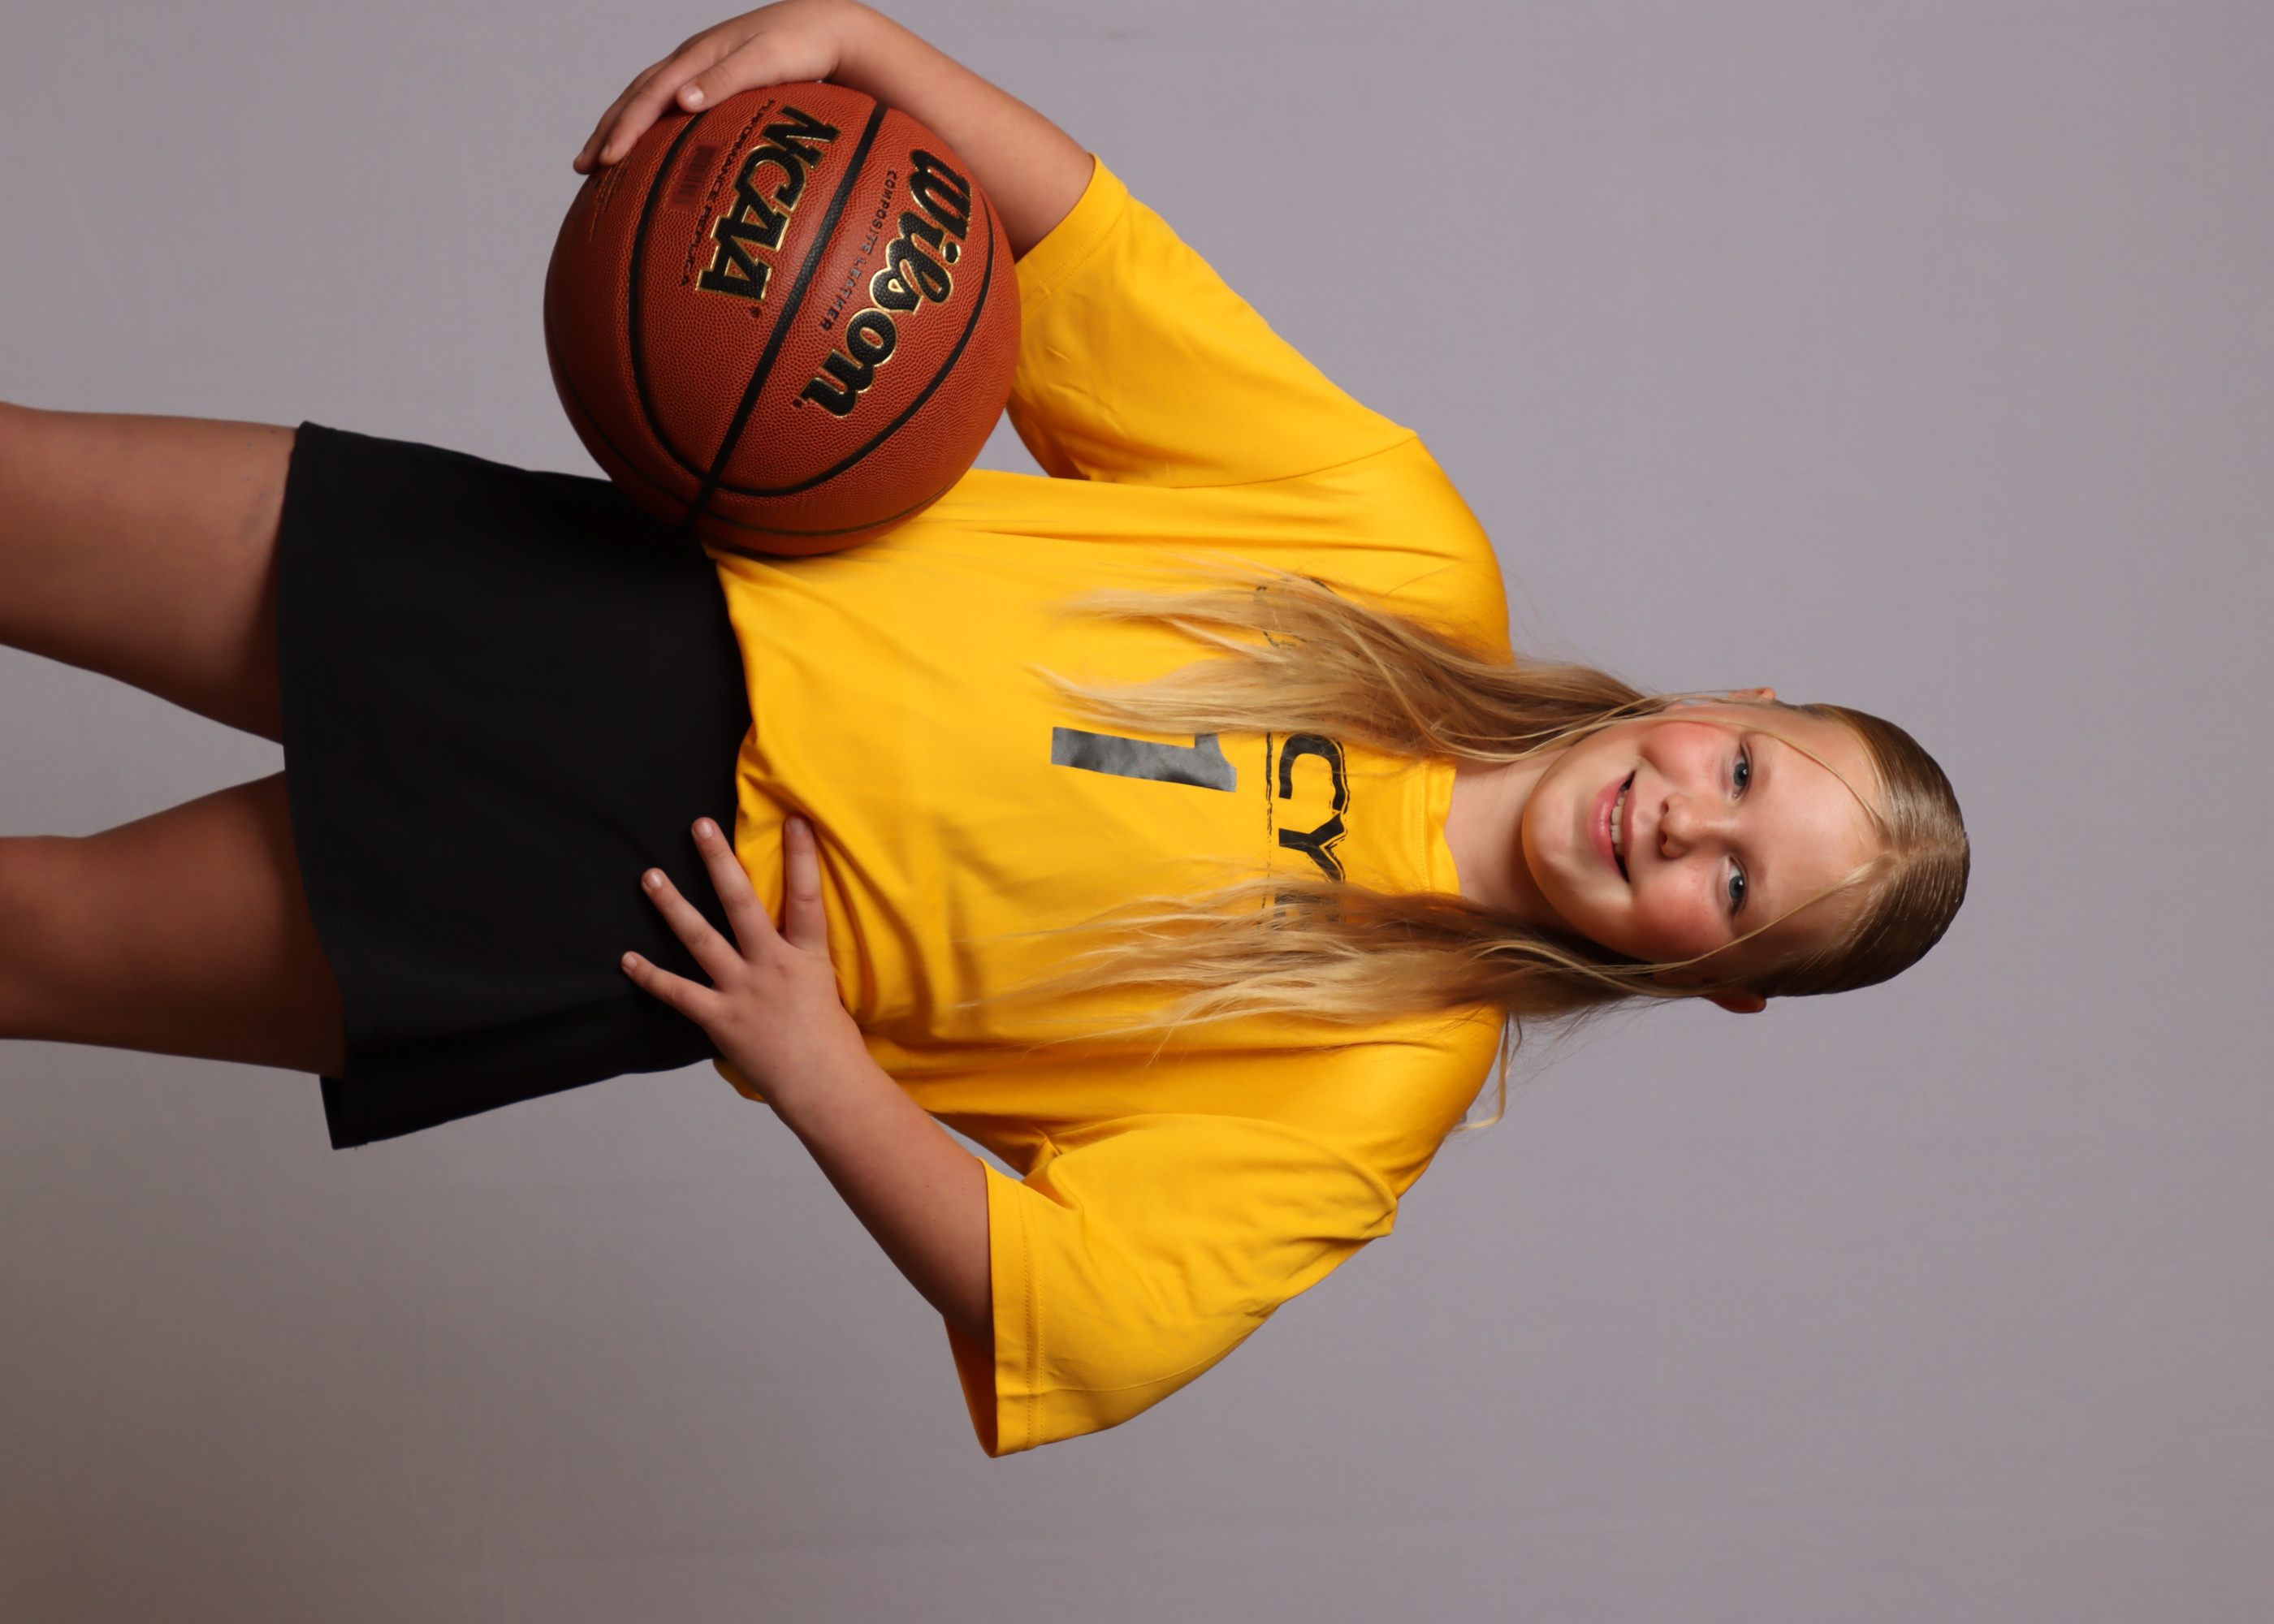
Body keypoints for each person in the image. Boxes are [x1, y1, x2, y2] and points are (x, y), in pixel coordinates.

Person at [0, 0, 1966, 1454]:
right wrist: (858, 43)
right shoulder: (1398, 547)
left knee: (27, 935)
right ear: (1732, 702)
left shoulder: (1376, 1082)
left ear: (1722, 981)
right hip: (618, 601)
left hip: (629, 901)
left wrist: (814, 1069)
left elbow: (1084, 1319)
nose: (1681, 824)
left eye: (1736, 887)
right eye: (1739, 777)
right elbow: (1095, 260)